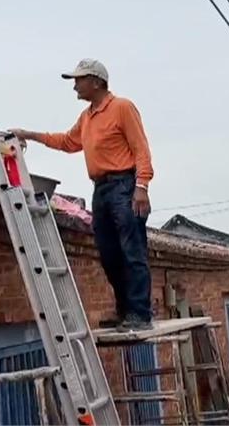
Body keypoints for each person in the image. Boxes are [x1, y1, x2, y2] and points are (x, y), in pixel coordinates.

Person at [11, 59, 155, 332]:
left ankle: (140, 314)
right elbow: (67, 142)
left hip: (125, 185)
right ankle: (126, 312)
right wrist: (29, 134)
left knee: (132, 250)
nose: (75, 86)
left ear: (96, 82)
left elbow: (141, 149)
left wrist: (142, 187)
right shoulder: (87, 117)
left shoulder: (122, 107)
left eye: (79, 80)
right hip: (101, 189)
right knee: (109, 253)